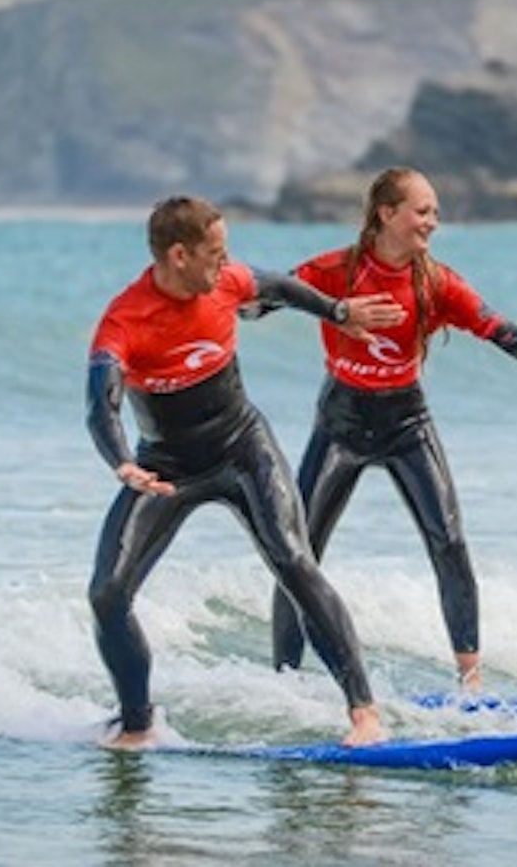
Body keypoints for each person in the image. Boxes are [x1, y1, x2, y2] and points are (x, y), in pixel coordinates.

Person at [269, 167, 517, 691]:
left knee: (448, 543)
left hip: (405, 423)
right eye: (423, 212)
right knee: (299, 553)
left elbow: (504, 332)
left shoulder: (437, 284)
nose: (433, 223)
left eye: (435, 213)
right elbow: (263, 299)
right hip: (341, 423)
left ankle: (471, 683)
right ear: (386, 213)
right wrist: (296, 307)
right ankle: (285, 681)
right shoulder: (333, 270)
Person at [85, 195, 404, 750]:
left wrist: (339, 312)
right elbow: (100, 406)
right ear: (178, 255)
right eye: (215, 252)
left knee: (293, 560)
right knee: (108, 595)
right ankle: (137, 724)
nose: (226, 262)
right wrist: (123, 464)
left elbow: (279, 287)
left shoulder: (226, 282)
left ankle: (364, 712)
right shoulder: (125, 321)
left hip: (242, 450)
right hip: (165, 467)